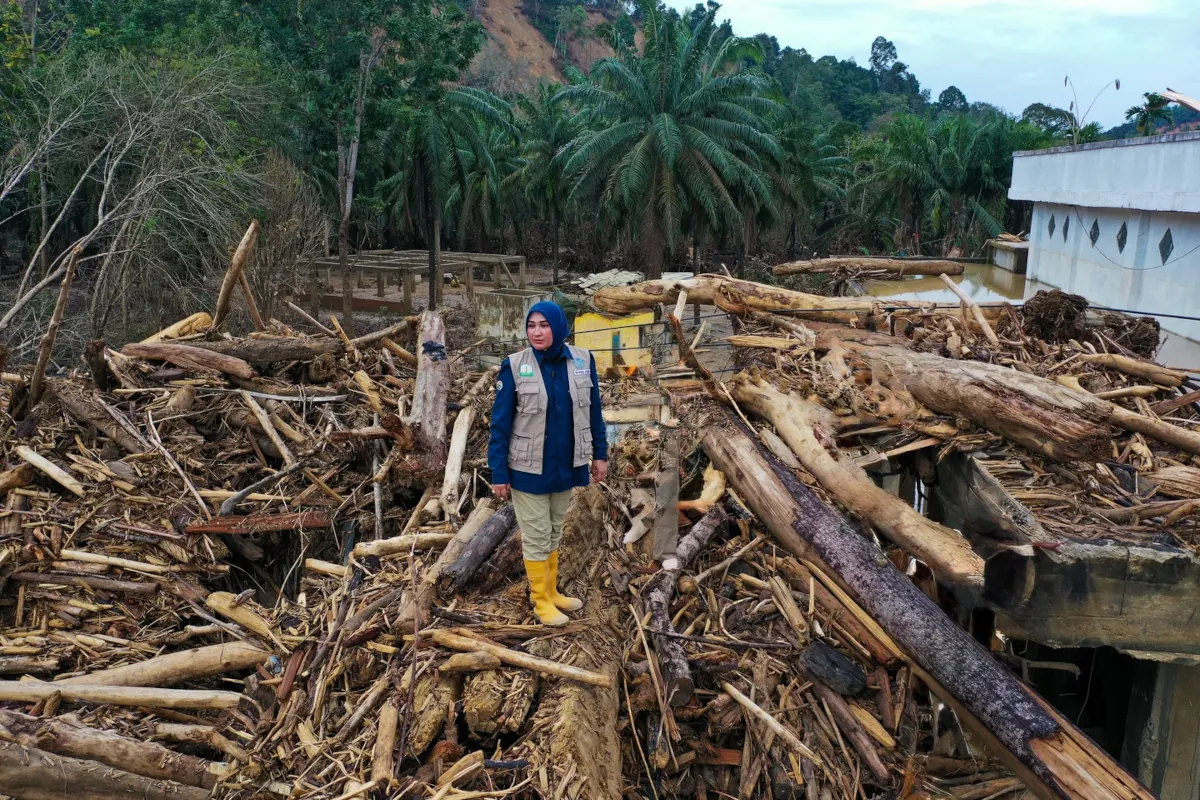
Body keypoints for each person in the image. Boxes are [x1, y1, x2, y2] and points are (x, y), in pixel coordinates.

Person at [488, 301, 607, 626]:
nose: (536, 332)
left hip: (567, 464)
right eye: (531, 325)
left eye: (544, 325)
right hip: (528, 467)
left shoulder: (582, 360)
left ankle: (552, 592)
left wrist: (600, 453)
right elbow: (500, 423)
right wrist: (498, 471)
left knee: (554, 531)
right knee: (538, 535)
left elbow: (594, 411)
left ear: (558, 327)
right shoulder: (515, 365)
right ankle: (540, 600)